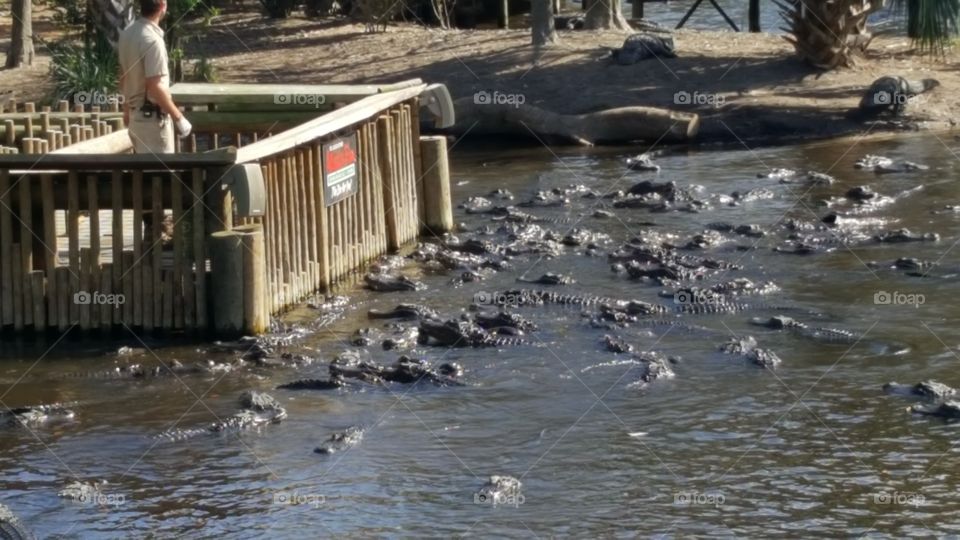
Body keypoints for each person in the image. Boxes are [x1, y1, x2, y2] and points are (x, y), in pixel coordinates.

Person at [118, 0, 191, 153]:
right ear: (163, 8)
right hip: (151, 121)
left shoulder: (127, 34)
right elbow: (155, 85)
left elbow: (124, 75)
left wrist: (126, 110)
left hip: (135, 118)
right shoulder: (152, 40)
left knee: (143, 174)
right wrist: (179, 118)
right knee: (159, 175)